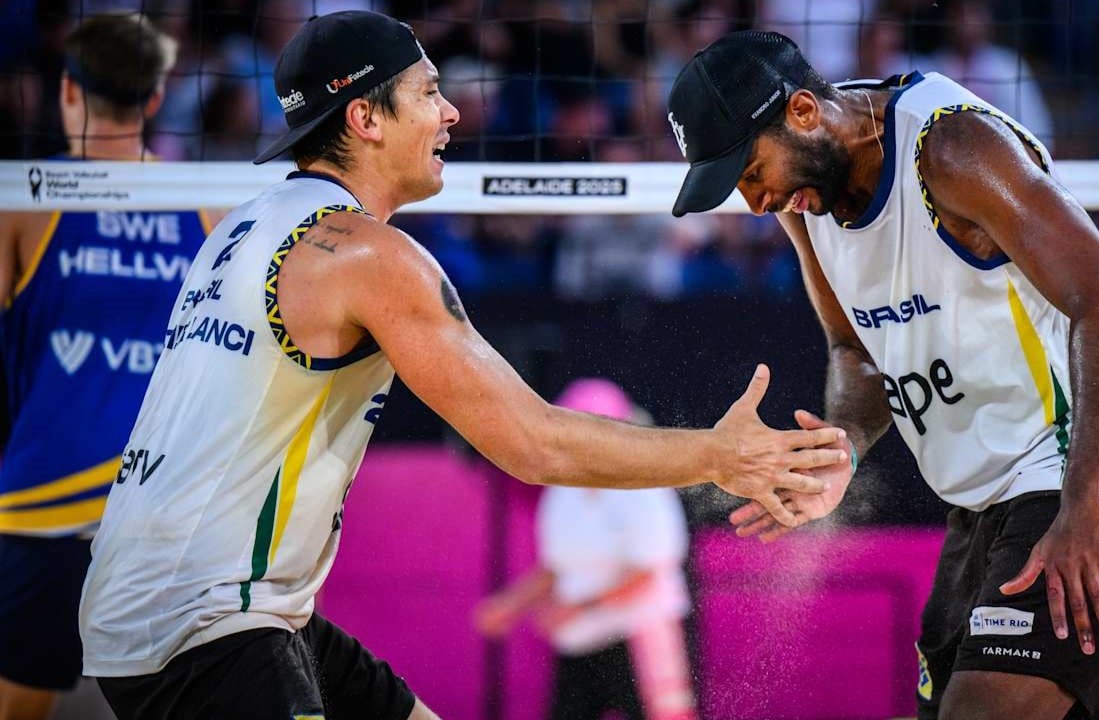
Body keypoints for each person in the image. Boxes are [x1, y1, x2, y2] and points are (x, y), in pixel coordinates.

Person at [76, 12, 848, 720]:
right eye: (430, 92)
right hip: (206, 622)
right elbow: (532, 442)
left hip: (199, 601)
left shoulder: (240, 225)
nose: (451, 113)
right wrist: (718, 455)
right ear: (364, 118)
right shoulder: (366, 255)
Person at [666, 31, 1099, 720]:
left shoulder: (951, 151)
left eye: (748, 172)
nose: (754, 202)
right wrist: (845, 449)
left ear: (803, 112)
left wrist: (1085, 500)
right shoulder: (807, 198)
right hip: (991, 485)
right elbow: (854, 351)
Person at [0, 13, 209, 720]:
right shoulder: (210, 204)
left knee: (18, 704)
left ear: (67, 91)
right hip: (164, 508)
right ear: (154, 99)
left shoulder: (23, 199)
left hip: (42, 500)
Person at [475, 378, 698, 720]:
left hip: (640, 636)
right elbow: (557, 568)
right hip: (579, 643)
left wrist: (579, 606)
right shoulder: (562, 492)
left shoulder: (644, 485)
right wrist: (512, 604)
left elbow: (648, 573)